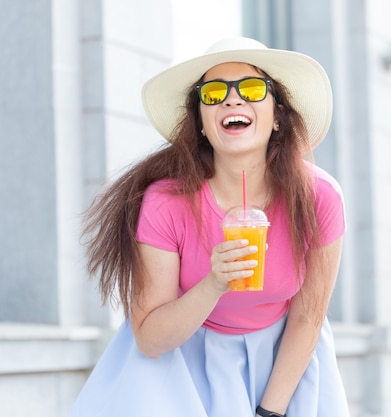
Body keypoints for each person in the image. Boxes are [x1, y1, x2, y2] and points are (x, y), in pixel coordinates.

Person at [68, 37, 349, 417]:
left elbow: (308, 317)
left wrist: (270, 411)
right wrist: (214, 284)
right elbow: (150, 340)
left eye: (251, 88)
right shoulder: (165, 203)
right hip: (181, 363)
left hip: (286, 362)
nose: (232, 100)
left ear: (278, 114)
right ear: (200, 121)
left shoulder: (320, 197)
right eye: (213, 93)